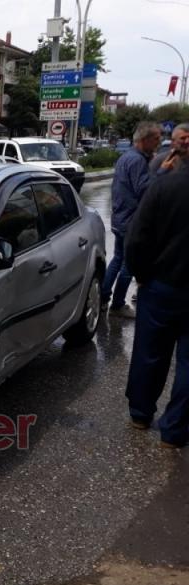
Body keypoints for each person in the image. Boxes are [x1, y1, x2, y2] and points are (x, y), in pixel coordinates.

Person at [124, 159, 189, 448]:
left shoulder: (165, 186)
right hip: (166, 284)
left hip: (160, 285)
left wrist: (141, 274)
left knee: (149, 352)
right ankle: (174, 431)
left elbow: (137, 237)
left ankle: (140, 413)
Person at [100, 122, 162, 318]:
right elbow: (144, 189)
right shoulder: (137, 161)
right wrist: (159, 172)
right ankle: (117, 305)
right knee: (128, 264)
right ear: (144, 140)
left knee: (117, 260)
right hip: (130, 221)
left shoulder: (126, 157)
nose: (159, 143)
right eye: (156, 139)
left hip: (120, 218)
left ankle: (102, 298)